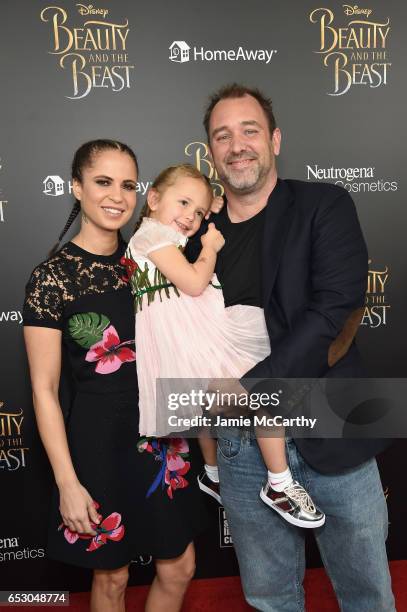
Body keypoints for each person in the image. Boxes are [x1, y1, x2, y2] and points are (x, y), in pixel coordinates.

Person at [188, 84, 395, 611]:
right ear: (209, 152)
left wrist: (248, 388)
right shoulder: (195, 241)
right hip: (241, 446)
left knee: (367, 592)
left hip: (332, 426)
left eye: (249, 130)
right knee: (269, 598)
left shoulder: (323, 205)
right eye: (223, 135)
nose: (237, 145)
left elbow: (333, 311)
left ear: (275, 139)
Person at [23, 140, 208, 612]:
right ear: (77, 187)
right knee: (113, 579)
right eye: (103, 181)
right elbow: (44, 390)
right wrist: (67, 481)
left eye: (128, 184)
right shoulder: (52, 278)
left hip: (163, 438)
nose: (117, 195)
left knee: (180, 565)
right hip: (97, 443)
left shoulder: (150, 260)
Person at [125, 163, 325, 529]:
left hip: (180, 338)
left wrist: (211, 203)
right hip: (192, 332)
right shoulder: (153, 237)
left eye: (198, 211)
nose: (191, 216)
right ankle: (279, 483)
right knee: (261, 388)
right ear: (152, 198)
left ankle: (213, 473)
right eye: (183, 203)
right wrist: (210, 247)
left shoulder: (153, 234)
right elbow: (195, 282)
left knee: (202, 405)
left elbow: (196, 214)